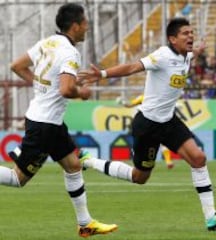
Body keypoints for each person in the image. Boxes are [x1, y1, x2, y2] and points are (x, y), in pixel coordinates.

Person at [77, 17, 216, 231]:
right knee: (139, 177)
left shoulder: (186, 56)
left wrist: (198, 48)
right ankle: (89, 161)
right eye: (185, 34)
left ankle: (211, 217)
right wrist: (103, 74)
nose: (190, 36)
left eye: (192, 33)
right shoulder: (162, 55)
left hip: (169, 121)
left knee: (198, 158)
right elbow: (133, 66)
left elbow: (193, 53)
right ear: (172, 39)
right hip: (148, 124)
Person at [1, 3, 117, 237]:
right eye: (85, 23)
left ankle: (85, 224)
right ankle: (85, 223)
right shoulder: (70, 53)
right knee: (17, 178)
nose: (87, 28)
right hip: (44, 125)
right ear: (75, 26)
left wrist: (42, 85)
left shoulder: (48, 42)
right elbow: (66, 89)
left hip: (48, 121)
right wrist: (81, 93)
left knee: (73, 166)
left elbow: (17, 66)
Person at [116, 94, 175, 169]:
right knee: (161, 142)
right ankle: (168, 161)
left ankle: (139, 163)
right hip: (154, 123)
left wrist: (123, 102)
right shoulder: (153, 97)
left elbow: (130, 105)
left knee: (141, 144)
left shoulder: (144, 97)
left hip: (147, 124)